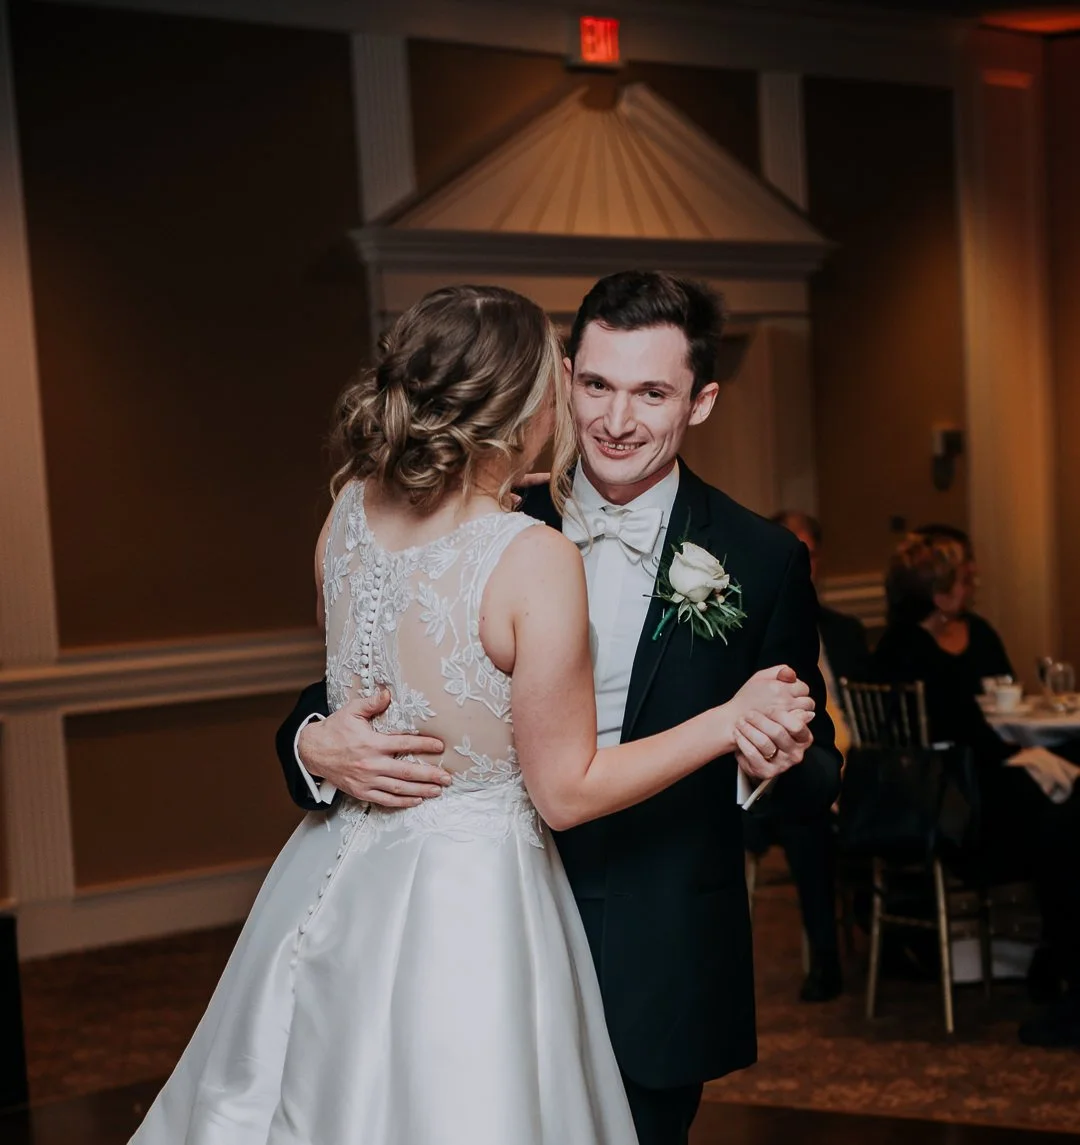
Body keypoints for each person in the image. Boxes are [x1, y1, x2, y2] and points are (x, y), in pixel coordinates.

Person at [129, 284, 820, 1145]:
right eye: (595, 385)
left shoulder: (762, 556)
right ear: (557, 383)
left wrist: (762, 748)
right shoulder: (501, 522)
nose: (615, 418)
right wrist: (314, 743)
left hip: (650, 944)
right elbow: (349, 693)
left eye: (651, 393)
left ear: (701, 399)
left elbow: (810, 757)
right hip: (475, 924)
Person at [873, 533, 1080, 1048]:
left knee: (1065, 803)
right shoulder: (901, 652)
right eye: (964, 575)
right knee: (1061, 826)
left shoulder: (979, 632)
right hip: (948, 806)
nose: (974, 580)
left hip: (989, 775)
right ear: (937, 591)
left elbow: (994, 716)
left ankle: (1058, 961)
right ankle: (1062, 971)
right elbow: (948, 739)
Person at [741, 510, 869, 1002]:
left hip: (858, 765)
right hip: (781, 778)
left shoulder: (846, 630)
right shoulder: (754, 626)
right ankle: (825, 958)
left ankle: (882, 927)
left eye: (810, 552)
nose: (802, 561)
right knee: (807, 809)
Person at [911, 523, 1014, 695]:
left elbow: (1010, 690)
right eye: (966, 560)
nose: (973, 568)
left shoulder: (980, 632)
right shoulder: (905, 649)